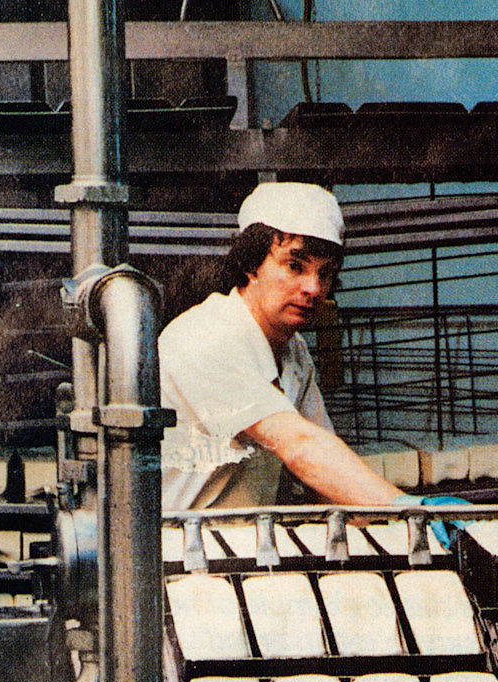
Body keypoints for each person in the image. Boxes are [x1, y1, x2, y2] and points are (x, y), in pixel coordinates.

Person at [159, 183, 411, 516]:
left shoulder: (293, 350)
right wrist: (407, 508)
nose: (314, 288)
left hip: (244, 544)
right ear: (252, 265)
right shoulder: (205, 336)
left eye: (325, 274)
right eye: (295, 266)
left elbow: (322, 463)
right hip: (178, 545)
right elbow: (298, 446)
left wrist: (395, 527)